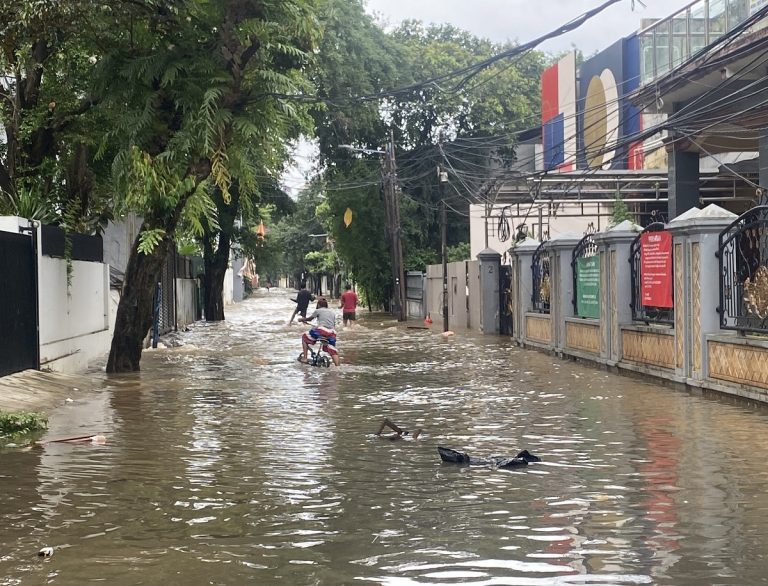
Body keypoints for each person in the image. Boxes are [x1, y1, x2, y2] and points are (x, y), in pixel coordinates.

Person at [298, 298, 340, 366]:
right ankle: (338, 366)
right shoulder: (332, 312)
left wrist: (302, 319)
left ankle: (305, 358)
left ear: (319, 305)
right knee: (332, 349)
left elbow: (310, 319)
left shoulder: (318, 310)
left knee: (304, 337)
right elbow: (332, 324)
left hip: (321, 330)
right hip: (332, 333)